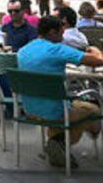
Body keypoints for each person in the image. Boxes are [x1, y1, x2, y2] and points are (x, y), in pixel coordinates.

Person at [16, 16, 103, 169]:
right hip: (56, 111)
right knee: (93, 110)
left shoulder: (24, 50)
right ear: (52, 32)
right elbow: (98, 60)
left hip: (30, 109)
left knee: (72, 108)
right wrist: (94, 49)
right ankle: (59, 142)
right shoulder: (57, 49)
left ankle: (57, 144)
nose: (63, 37)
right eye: (61, 33)